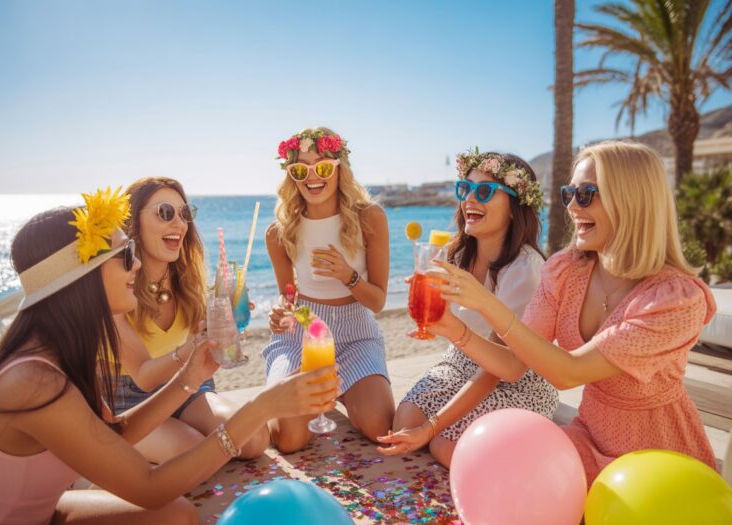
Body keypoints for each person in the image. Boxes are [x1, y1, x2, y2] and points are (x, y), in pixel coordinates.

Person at [0, 189, 339, 524]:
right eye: (124, 255)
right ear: (83, 277)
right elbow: (150, 487)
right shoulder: (34, 382)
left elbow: (115, 434)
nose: (137, 264)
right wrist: (260, 407)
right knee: (172, 508)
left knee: (179, 514)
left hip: (43, 511)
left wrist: (188, 377)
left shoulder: (58, 355)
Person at [427, 141, 717, 485]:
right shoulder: (566, 270)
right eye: (570, 194)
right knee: (497, 474)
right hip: (588, 436)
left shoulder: (674, 299)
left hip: (657, 456)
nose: (572, 208)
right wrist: (450, 328)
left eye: (587, 194)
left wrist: (486, 303)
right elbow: (512, 365)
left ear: (632, 201)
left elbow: (569, 373)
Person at [377, 149, 558, 467]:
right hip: (460, 360)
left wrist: (432, 427)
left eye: (485, 191)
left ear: (515, 208)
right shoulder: (454, 253)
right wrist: (429, 307)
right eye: (466, 189)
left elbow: (499, 370)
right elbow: (445, 321)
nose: (470, 199)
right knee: (403, 424)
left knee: (447, 445)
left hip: (514, 379)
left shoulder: (525, 269)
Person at [110, 177, 268, 464]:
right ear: (133, 221)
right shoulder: (114, 287)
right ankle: (111, 445)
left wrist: (218, 326)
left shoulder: (187, 281)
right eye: (165, 213)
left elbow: (202, 342)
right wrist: (192, 347)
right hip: (127, 398)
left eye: (184, 215)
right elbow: (144, 376)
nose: (180, 225)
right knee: (195, 452)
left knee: (254, 438)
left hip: (185, 386)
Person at [265, 127, 394, 452]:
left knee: (379, 426)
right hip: (303, 333)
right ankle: (319, 394)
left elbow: (377, 302)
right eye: (300, 170)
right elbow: (290, 297)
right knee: (289, 440)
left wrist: (347, 276)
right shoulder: (279, 232)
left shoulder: (370, 218)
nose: (312, 177)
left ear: (339, 167)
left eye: (321, 166)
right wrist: (282, 312)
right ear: (290, 175)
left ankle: (336, 392)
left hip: (355, 334)